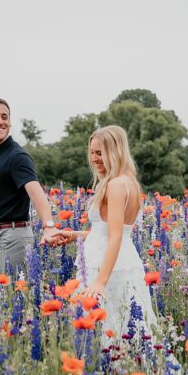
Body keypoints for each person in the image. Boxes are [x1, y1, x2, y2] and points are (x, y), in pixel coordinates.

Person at [57, 125, 157, 348]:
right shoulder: (129, 181)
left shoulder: (115, 184)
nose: (94, 158)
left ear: (115, 151)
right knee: (132, 332)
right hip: (125, 263)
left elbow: (115, 237)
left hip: (106, 267)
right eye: (92, 152)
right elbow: (109, 231)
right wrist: (75, 235)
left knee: (107, 334)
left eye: (100, 153)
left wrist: (100, 281)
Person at [0, 98, 61, 286]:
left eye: (5, 117)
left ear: (10, 123)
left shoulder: (17, 156)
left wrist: (49, 225)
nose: (0, 121)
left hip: (11, 236)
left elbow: (37, 193)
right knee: (0, 298)